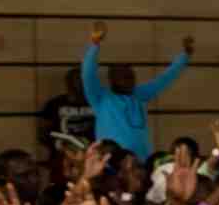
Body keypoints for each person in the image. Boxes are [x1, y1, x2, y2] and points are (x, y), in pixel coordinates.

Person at [78, 21, 192, 159]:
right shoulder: (101, 98)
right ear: (112, 80)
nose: (130, 80)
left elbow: (165, 78)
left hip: (142, 161)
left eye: (131, 76)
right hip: (112, 163)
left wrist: (184, 56)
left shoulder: (139, 94)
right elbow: (87, 74)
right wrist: (94, 44)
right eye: (124, 77)